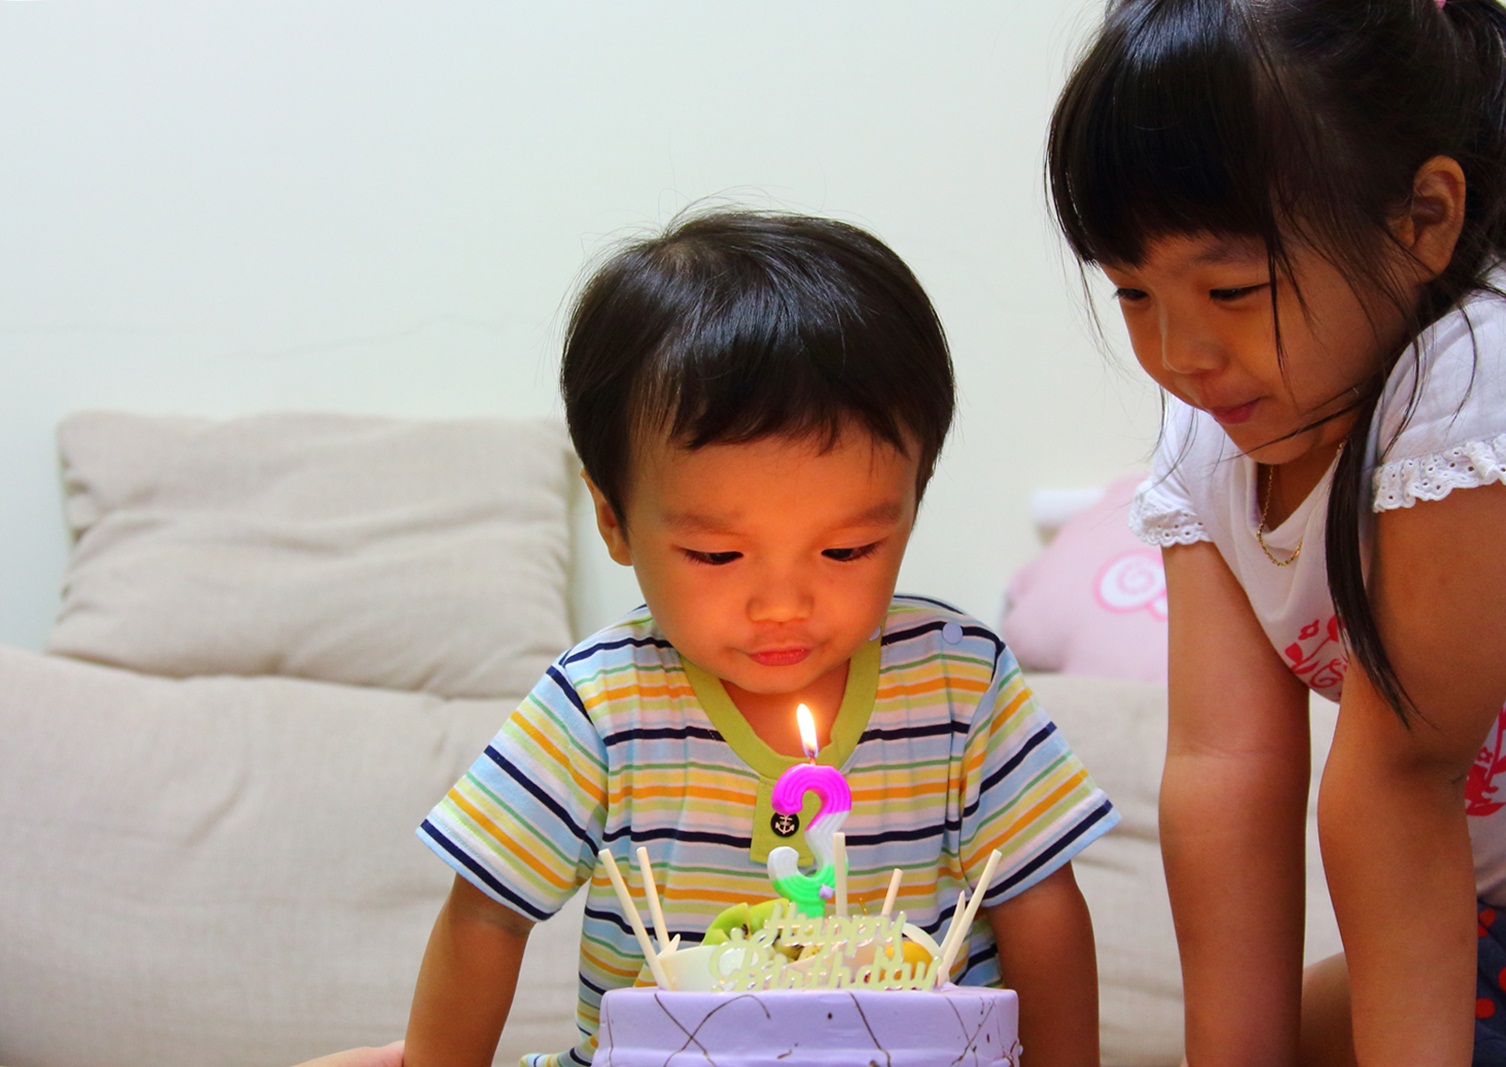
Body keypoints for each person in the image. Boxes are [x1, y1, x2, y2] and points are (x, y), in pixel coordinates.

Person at [403, 209, 1117, 1067]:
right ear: (614, 518)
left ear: (911, 504)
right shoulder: (600, 703)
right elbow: (487, 913)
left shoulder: (960, 681)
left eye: (847, 549)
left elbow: (1039, 901)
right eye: (718, 554)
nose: (783, 605)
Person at [1046, 1, 1506, 1065]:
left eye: (1232, 288)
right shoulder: (1212, 437)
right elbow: (1224, 766)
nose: (1181, 352)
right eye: (1133, 293)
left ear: (1423, 219)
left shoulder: (1502, 370)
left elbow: (1397, 780)